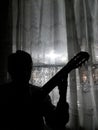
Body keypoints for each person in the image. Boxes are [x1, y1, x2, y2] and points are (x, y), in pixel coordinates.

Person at [0, 50, 69, 130]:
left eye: (28, 68)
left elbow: (57, 123)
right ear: (11, 70)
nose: (26, 73)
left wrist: (63, 94)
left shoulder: (39, 93)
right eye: (21, 69)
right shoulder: (2, 93)